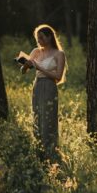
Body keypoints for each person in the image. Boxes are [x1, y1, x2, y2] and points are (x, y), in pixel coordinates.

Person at [21, 24, 67, 158]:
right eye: (37, 38)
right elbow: (23, 71)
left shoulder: (59, 54)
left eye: (41, 37)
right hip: (37, 86)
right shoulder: (36, 51)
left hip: (49, 86)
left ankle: (51, 152)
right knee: (37, 117)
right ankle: (39, 152)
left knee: (48, 120)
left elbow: (58, 76)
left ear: (50, 37)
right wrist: (25, 65)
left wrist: (39, 67)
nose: (38, 40)